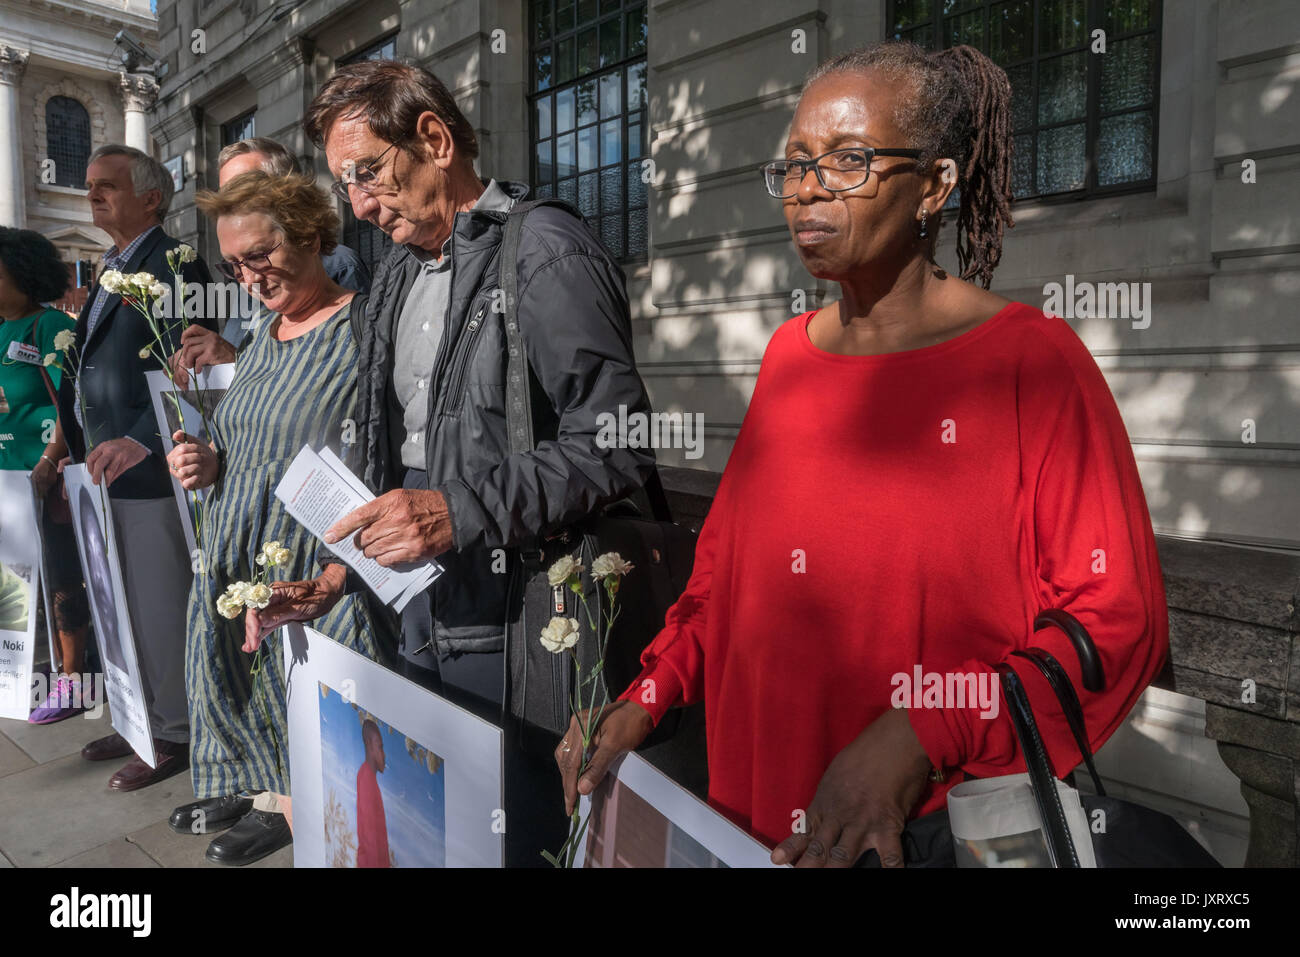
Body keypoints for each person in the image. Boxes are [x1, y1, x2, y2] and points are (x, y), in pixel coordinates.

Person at [556, 42, 1170, 868]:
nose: (810, 187)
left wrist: (919, 731)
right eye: (798, 164)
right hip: (752, 820)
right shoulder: (786, 357)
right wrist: (645, 694)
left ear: (938, 185)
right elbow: (722, 584)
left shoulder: (1033, 363)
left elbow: (1113, 619)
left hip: (920, 834)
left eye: (850, 160)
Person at [247, 59, 658, 866]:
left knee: (518, 836)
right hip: (419, 618)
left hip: (521, 624)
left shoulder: (544, 247)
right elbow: (397, 455)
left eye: (367, 173)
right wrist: (338, 576)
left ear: (432, 138)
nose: (359, 206)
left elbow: (617, 443)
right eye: (346, 184)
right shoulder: (398, 273)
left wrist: (456, 512)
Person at [165, 171, 397, 866]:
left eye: (260, 255)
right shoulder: (262, 334)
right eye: (234, 263)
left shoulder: (367, 324)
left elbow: (388, 451)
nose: (247, 276)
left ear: (311, 234)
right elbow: (248, 437)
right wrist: (209, 461)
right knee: (273, 741)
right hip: (239, 571)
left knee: (328, 751)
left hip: (316, 581)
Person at [55, 145, 216, 790]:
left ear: (151, 197)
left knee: (157, 606)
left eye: (107, 187)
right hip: (99, 476)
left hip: (150, 475)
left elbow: (193, 370)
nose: (93, 196)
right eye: (90, 187)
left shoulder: (179, 264)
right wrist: (71, 448)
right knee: (117, 606)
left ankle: (174, 734)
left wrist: (147, 440)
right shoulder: (109, 266)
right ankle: (137, 717)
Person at [170, 136, 372, 376]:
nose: (251, 277)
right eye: (227, 193)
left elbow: (339, 375)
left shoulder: (338, 266)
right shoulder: (246, 277)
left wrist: (234, 360)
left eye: (247, 188)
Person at [0, 227, 91, 723]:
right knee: (11, 580)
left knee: (62, 577)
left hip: (43, 478)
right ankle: (20, 672)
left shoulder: (52, 327)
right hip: (4, 481)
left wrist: (49, 459)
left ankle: (74, 679)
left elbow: (70, 402)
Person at [355, 719, 390, 868]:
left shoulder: (365, 776)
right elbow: (370, 840)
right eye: (380, 747)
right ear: (369, 745)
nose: (384, 754)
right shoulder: (367, 780)